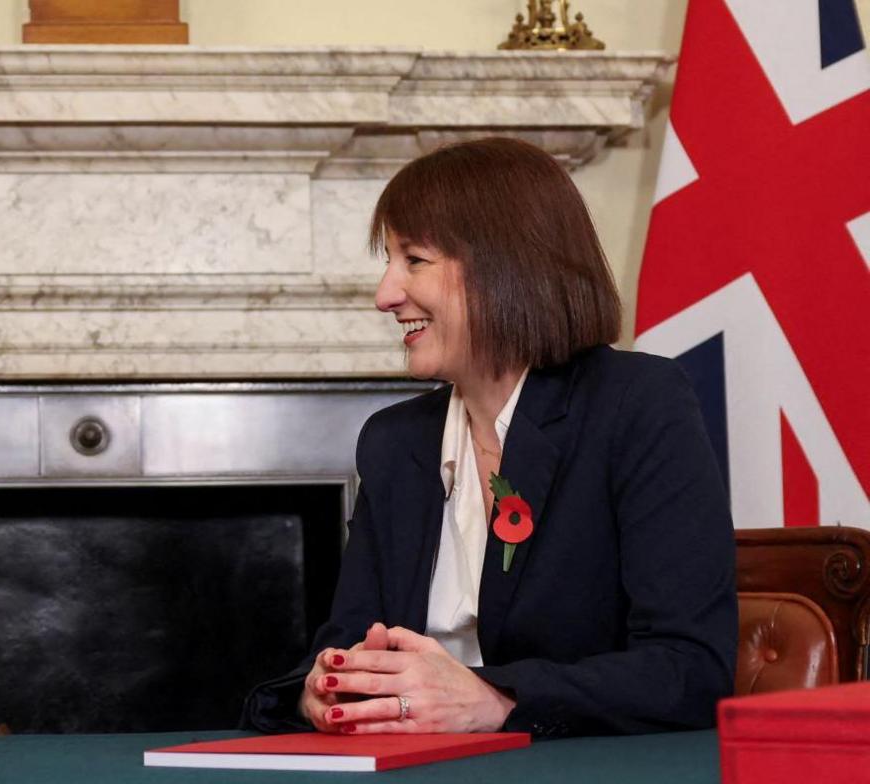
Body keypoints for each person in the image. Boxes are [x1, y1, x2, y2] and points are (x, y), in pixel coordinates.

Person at [243, 137, 736, 738]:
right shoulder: (395, 441)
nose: (384, 295)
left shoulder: (637, 403)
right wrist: (325, 689)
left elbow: (690, 671)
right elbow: (345, 640)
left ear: (506, 267)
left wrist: (496, 700)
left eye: (414, 261)